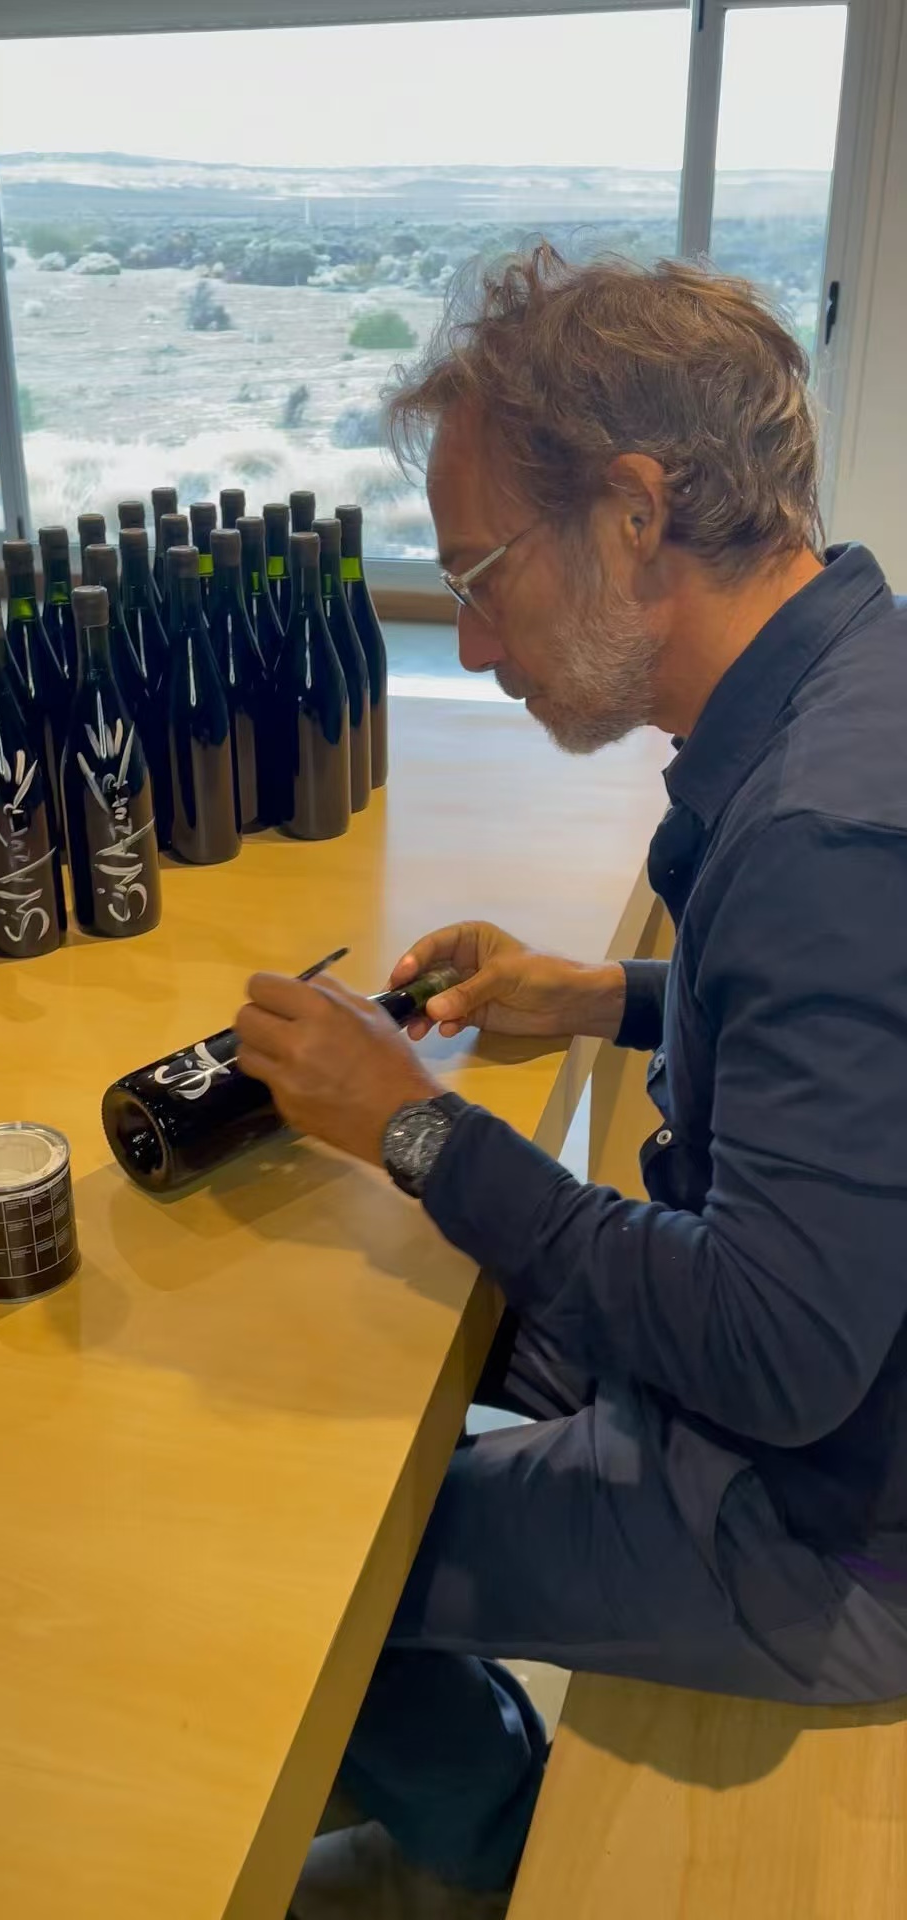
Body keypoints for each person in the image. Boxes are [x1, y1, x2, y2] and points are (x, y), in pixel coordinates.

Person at [235, 245, 907, 1919]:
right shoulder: (857, 682)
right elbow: (842, 1038)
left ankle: (478, 1851)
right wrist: (608, 995)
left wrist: (414, 1127)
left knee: (305, 1554)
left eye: (481, 575)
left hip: (825, 1523)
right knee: (393, 1342)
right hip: (831, 1385)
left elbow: (775, 1351)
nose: (472, 644)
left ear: (632, 513)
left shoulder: (823, 837)